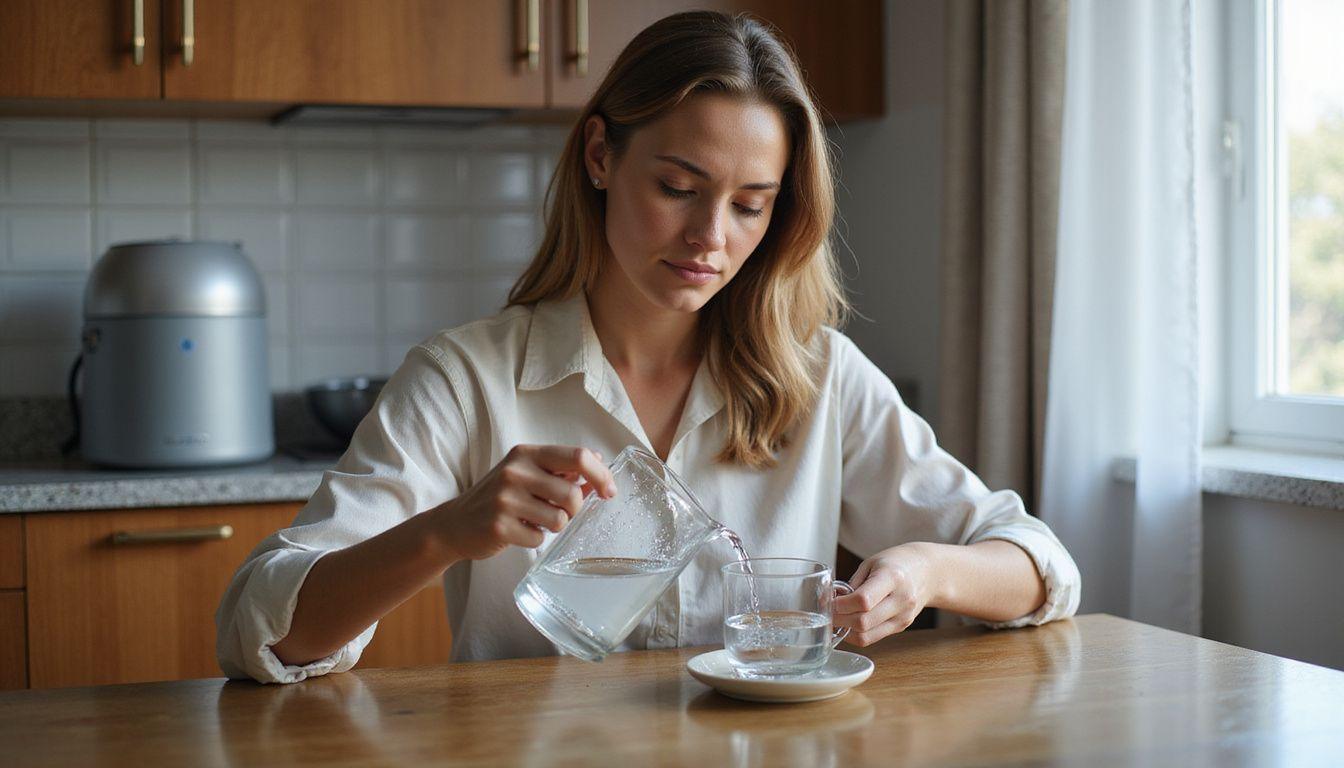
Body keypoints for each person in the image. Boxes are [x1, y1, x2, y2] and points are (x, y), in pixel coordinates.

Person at [217, 11, 1080, 684]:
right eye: (678, 186)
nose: (710, 235)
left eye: (750, 204)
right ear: (600, 155)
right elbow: (260, 631)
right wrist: (444, 532)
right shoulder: (467, 378)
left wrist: (926, 570)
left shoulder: (818, 377)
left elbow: (1041, 568)